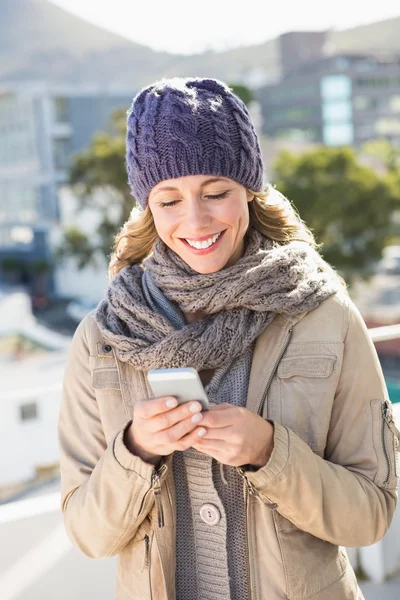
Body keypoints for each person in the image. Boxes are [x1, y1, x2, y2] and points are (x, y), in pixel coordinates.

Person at [58, 77, 399, 600]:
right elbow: (88, 532)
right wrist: (137, 450)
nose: (195, 220)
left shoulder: (325, 315)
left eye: (216, 193)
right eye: (169, 201)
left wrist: (269, 452)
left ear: (250, 191)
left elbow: (371, 516)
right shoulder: (104, 337)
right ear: (148, 208)